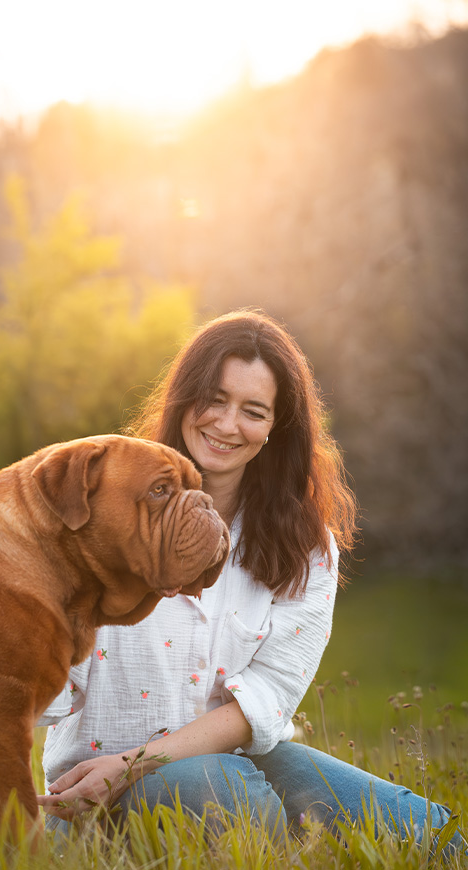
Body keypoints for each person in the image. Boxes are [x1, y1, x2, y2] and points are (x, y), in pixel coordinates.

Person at [37, 309, 464, 852]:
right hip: (99, 792)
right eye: (214, 398)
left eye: (253, 411)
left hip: (238, 760)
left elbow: (263, 701)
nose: (226, 423)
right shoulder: (101, 515)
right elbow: (39, 681)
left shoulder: (307, 549)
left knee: (434, 837)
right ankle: (279, 843)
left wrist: (133, 763)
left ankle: (283, 838)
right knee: (231, 799)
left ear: (273, 430)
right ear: (184, 399)